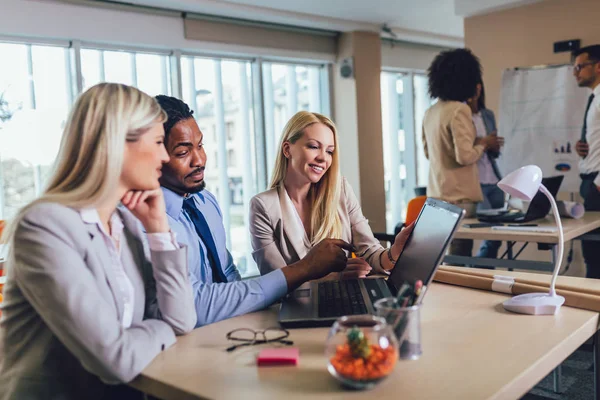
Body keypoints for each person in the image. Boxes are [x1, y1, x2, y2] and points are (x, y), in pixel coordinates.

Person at [0, 83, 197, 400]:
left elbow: (182, 319)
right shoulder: (44, 226)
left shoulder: (128, 223)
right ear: (117, 144)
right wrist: (161, 330)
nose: (164, 156)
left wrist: (159, 230)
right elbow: (115, 359)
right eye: (159, 142)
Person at [154, 96, 352, 327]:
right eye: (182, 152)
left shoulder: (204, 201)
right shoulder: (151, 224)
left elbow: (227, 273)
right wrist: (307, 267)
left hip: (230, 326)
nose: (200, 160)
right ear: (155, 156)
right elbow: (195, 304)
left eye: (200, 145)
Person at [249, 110, 414, 276]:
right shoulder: (263, 207)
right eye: (313, 147)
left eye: (329, 151)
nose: (323, 158)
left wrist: (395, 251)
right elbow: (275, 282)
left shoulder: (340, 190)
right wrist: (334, 276)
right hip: (297, 302)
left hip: (341, 299)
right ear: (287, 149)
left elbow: (372, 254)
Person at [422, 48, 503, 256]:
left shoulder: (430, 112)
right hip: (460, 196)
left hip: (436, 194)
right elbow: (465, 156)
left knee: (444, 254)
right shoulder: (460, 110)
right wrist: (483, 144)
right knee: (460, 253)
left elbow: (428, 153)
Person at [466, 80, 504, 259]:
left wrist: (494, 146)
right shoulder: (460, 115)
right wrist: (483, 142)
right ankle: (478, 272)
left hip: (494, 179)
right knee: (488, 232)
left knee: (497, 236)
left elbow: (494, 152)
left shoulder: (487, 115)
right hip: (475, 182)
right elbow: (463, 148)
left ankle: (484, 271)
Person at [573, 44, 600, 279]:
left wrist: (599, 183)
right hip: (590, 182)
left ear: (598, 66)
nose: (576, 72)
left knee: (594, 253)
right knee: (592, 252)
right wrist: (584, 148)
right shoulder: (595, 97)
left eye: (580, 66)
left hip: (598, 185)